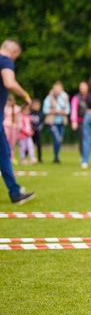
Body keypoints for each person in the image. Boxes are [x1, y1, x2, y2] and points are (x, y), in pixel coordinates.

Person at [0, 39, 35, 203]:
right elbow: (9, 82)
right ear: (13, 52)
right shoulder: (5, 60)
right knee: (4, 153)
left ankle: (14, 192)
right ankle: (14, 193)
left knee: (4, 153)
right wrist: (25, 96)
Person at [42, 80, 70, 164]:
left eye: (58, 90)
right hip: (52, 122)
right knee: (57, 138)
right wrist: (56, 111)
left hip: (62, 122)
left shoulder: (65, 97)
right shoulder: (49, 97)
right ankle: (56, 156)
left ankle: (56, 156)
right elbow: (45, 110)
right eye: (55, 90)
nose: (56, 92)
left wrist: (58, 111)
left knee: (59, 140)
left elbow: (68, 110)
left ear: (62, 90)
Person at [70, 80, 88, 155]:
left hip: (89, 121)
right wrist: (74, 121)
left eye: (83, 87)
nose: (82, 89)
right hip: (80, 121)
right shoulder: (76, 98)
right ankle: (83, 156)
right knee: (82, 139)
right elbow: (74, 110)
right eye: (81, 87)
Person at [4, 96, 20, 164]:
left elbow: (19, 119)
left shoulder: (17, 108)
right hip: (6, 126)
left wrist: (19, 127)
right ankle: (5, 159)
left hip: (14, 127)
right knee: (5, 143)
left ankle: (11, 158)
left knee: (12, 144)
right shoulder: (5, 108)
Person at [29, 98, 43, 163]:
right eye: (35, 105)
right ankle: (27, 157)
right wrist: (31, 128)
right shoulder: (30, 113)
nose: (37, 107)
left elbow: (41, 122)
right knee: (29, 145)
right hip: (30, 132)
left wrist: (37, 128)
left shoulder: (40, 114)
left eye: (38, 105)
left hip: (37, 133)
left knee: (39, 145)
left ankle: (39, 158)